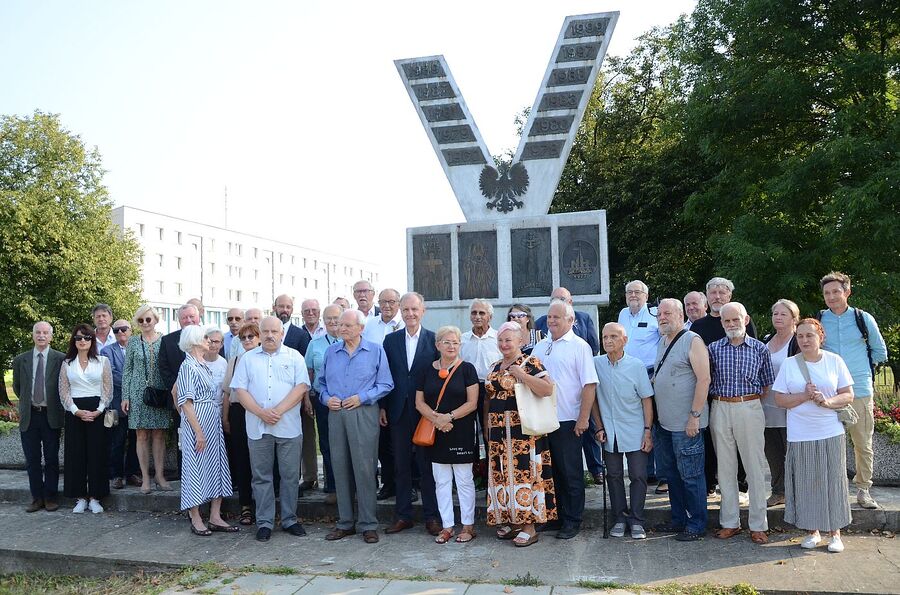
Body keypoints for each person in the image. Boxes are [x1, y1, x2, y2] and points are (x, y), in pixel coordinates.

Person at [773, 318, 854, 553]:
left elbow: (848, 394)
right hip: (800, 434)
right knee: (807, 483)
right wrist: (804, 396)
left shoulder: (834, 361)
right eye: (800, 336)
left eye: (810, 335)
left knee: (834, 481)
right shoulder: (790, 364)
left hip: (830, 431)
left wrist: (827, 402)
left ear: (821, 337)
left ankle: (835, 533)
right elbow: (779, 399)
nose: (805, 340)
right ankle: (812, 531)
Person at [231, 317, 310, 542]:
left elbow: (301, 387)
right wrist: (261, 412)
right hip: (258, 426)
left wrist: (277, 410)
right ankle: (264, 521)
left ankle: (290, 519)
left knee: (290, 475)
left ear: (282, 333)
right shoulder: (247, 359)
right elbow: (240, 390)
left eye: (274, 331)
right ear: (260, 333)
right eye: (265, 331)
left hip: (288, 426)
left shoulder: (294, 356)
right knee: (261, 476)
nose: (269, 335)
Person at [320, 309, 394, 544]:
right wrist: (325, 398)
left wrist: (362, 397)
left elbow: (386, 384)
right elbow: (319, 383)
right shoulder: (331, 352)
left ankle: (368, 524)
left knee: (364, 468)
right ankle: (345, 522)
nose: (341, 329)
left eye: (347, 325)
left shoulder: (375, 351)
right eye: (339, 325)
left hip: (363, 412)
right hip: (336, 414)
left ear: (360, 328)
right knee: (339, 467)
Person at [818, 271, 888, 509]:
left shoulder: (862, 318)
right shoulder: (820, 320)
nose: (831, 296)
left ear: (847, 291)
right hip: (829, 393)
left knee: (862, 443)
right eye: (827, 293)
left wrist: (861, 372)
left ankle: (863, 490)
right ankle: (832, 489)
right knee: (828, 443)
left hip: (858, 390)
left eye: (836, 291)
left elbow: (879, 352)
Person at [485, 321, 557, 547]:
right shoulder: (495, 366)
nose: (504, 344)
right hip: (498, 433)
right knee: (503, 475)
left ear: (520, 341)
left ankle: (529, 526)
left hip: (524, 433)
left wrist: (522, 375)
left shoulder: (530, 362)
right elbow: (488, 398)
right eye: (501, 340)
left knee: (526, 475)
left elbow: (547, 389)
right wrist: (488, 428)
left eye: (509, 340)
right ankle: (512, 520)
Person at [708, 302, 775, 545]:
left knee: (754, 467)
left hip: (749, 406)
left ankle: (758, 525)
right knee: (725, 468)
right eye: (726, 321)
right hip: (720, 407)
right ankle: (730, 523)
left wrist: (746, 402)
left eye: (735, 319)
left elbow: (767, 384)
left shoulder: (760, 349)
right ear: (721, 323)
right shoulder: (713, 349)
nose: (731, 324)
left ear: (745, 320)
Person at [533, 300, 599, 539]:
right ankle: (556, 517)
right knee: (551, 472)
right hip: (543, 421)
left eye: (556, 317)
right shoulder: (540, 346)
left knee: (571, 473)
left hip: (569, 420)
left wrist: (583, 419)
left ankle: (573, 520)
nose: (551, 321)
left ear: (571, 321)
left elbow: (589, 385)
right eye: (549, 317)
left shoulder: (580, 346)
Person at [690, 277, 757, 497]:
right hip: (709, 394)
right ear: (707, 298)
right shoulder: (698, 326)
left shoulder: (744, 322)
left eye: (722, 293)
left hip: (739, 395)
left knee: (739, 443)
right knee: (710, 441)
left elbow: (755, 355)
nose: (717, 297)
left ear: (730, 296)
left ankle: (740, 483)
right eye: (713, 293)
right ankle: (709, 481)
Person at [651, 299, 710, 542]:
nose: (662, 317)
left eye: (667, 313)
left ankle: (696, 524)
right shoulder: (662, 341)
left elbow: (704, 379)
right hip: (664, 424)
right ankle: (678, 520)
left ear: (680, 314)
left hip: (687, 424)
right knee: (672, 475)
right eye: (659, 314)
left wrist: (694, 416)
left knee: (691, 475)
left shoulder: (692, 340)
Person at [382, 292, 441, 535]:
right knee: (401, 465)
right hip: (397, 411)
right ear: (400, 311)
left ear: (423, 311)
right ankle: (403, 515)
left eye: (414, 309)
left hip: (425, 412)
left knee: (426, 466)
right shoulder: (391, 341)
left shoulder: (434, 340)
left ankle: (431, 517)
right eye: (405, 309)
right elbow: (385, 376)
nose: (410, 314)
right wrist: (383, 406)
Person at [415, 326, 479, 544]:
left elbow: (472, 403)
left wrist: (448, 417)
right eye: (447, 342)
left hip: (460, 431)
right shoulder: (426, 370)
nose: (452, 346)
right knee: (441, 481)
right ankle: (447, 526)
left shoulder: (467, 369)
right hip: (437, 431)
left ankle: (468, 525)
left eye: (456, 342)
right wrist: (437, 419)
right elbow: (419, 402)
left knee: (464, 480)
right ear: (438, 345)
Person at [591, 323, 654, 539]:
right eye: (605, 337)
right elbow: (592, 400)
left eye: (613, 336)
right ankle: (620, 517)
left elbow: (646, 399)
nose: (608, 341)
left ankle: (636, 520)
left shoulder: (636, 366)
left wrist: (647, 430)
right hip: (609, 430)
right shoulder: (596, 364)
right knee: (614, 475)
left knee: (638, 474)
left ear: (624, 340)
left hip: (635, 428)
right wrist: (598, 426)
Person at [176, 324, 236, 536]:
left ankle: (215, 515)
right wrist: (197, 431)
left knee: (216, 464)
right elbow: (185, 401)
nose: (208, 340)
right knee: (196, 466)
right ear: (194, 341)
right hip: (198, 421)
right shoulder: (188, 366)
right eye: (204, 337)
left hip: (212, 419)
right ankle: (195, 516)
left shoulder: (203, 364)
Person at [58, 324, 113, 513]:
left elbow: (107, 389)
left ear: (92, 340)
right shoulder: (67, 363)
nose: (83, 341)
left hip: (97, 411)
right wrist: (75, 410)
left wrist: (98, 410)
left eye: (87, 337)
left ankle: (96, 497)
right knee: (76, 455)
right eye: (79, 338)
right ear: (74, 341)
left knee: (97, 454)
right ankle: (80, 497)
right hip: (75, 413)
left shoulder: (102, 361)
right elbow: (64, 390)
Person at [616, 280, 664, 493]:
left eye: (637, 292)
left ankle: (659, 473)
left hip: (650, 374)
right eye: (629, 292)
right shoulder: (623, 314)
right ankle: (645, 470)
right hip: (626, 375)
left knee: (654, 423)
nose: (633, 295)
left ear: (646, 295)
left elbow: (664, 343)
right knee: (638, 422)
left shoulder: (655, 314)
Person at [12, 322, 65, 512]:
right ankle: (36, 498)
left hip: (51, 415)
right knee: (32, 459)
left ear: (51, 336)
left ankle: (50, 497)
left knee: (51, 458)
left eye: (45, 333)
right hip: (30, 416)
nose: (41, 336)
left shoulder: (61, 359)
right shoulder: (21, 360)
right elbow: (18, 388)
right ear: (33, 335)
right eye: (38, 332)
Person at [122, 304, 173, 494]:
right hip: (137, 393)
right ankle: (145, 478)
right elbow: (127, 371)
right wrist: (125, 396)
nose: (145, 323)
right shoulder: (133, 342)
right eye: (141, 320)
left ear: (155, 320)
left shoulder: (165, 341)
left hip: (159, 392)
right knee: (141, 435)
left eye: (148, 319)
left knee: (159, 434)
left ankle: (160, 475)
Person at [360, 288, 402, 501]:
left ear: (398, 303)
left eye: (392, 301)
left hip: (402, 388)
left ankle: (408, 484)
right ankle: (388, 483)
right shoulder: (369, 327)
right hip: (378, 388)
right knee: (383, 440)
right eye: (383, 302)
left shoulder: (406, 323)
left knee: (403, 441)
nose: (387, 306)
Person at [274, 294, 318, 493]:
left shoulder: (299, 335)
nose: (284, 310)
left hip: (298, 395)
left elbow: (306, 369)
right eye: (281, 306)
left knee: (306, 436)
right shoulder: (267, 331)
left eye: (288, 307)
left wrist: (304, 397)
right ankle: (282, 477)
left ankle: (309, 477)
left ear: (292, 310)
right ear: (274, 307)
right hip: (273, 398)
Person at [761, 299, 800, 507]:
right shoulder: (767, 339)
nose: (777, 317)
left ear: (794, 318)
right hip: (766, 407)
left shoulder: (797, 342)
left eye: (783, 314)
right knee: (773, 453)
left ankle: (797, 493)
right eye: (775, 313)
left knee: (791, 453)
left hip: (789, 407)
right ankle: (779, 491)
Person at [220, 323, 260, 525]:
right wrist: (225, 417)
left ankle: (263, 505)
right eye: (243, 337)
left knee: (261, 459)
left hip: (260, 412)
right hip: (238, 412)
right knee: (242, 458)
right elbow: (227, 392)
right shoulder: (234, 361)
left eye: (251, 336)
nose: (247, 340)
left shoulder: (265, 359)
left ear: (259, 337)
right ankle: (245, 506)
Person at [306, 305, 343, 505]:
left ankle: (349, 484)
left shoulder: (350, 342)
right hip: (322, 400)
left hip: (346, 401)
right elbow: (309, 372)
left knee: (346, 443)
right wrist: (307, 398)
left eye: (336, 318)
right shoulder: (315, 344)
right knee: (327, 443)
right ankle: (332, 485)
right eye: (328, 319)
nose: (332, 322)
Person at [460, 298, 502, 460]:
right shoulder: (462, 339)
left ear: (489, 317)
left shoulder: (498, 338)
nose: (477, 316)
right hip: (468, 390)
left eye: (482, 313)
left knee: (490, 430)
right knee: (468, 432)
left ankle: (491, 474)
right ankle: (473, 472)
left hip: (491, 389)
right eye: (474, 313)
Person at [101, 319, 140, 490]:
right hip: (115, 403)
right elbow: (111, 375)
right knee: (116, 440)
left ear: (131, 330)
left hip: (138, 404)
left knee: (137, 439)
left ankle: (132, 473)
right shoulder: (106, 351)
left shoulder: (139, 348)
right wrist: (133, 382)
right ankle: (116, 475)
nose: (120, 333)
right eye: (116, 330)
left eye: (124, 329)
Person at [534, 287, 600, 355]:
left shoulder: (583, 319)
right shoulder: (540, 322)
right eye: (554, 299)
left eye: (562, 299)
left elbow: (594, 347)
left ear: (570, 302)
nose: (557, 302)